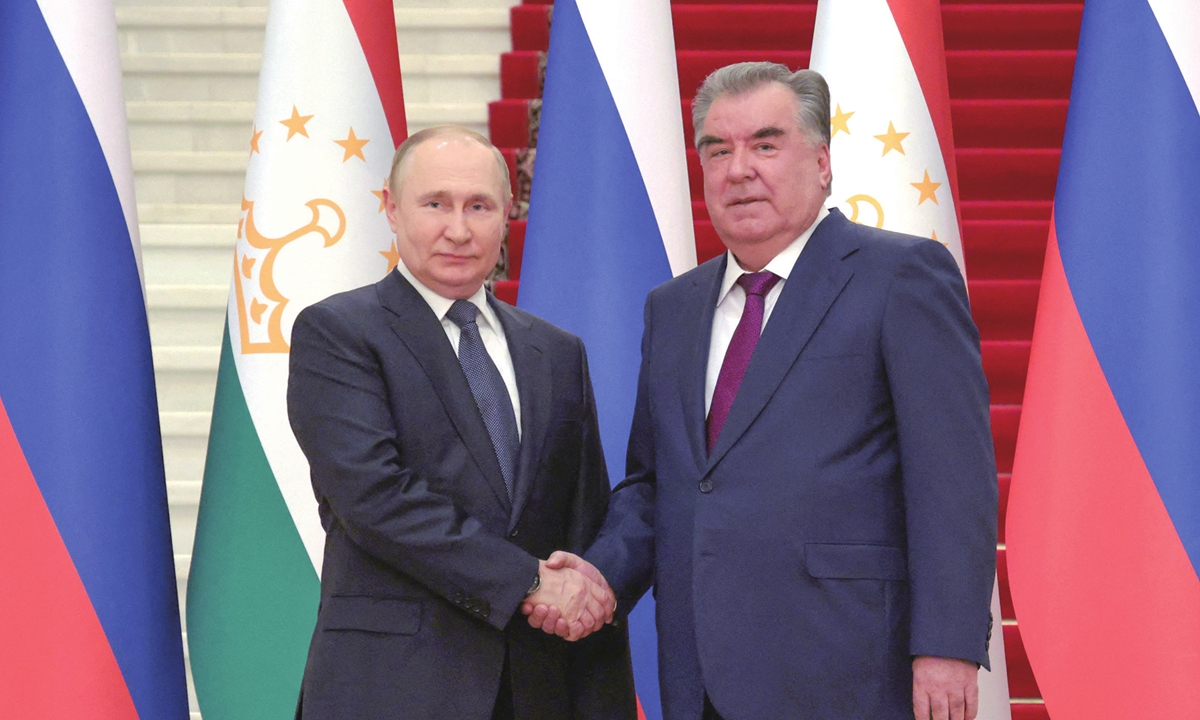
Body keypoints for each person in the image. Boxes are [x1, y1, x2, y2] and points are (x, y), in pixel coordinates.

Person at [526, 63, 998, 720]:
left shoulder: (900, 277)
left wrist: (946, 645)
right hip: (702, 675)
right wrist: (600, 574)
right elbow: (655, 484)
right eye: (718, 150)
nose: (738, 169)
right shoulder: (674, 308)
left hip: (852, 666)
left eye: (765, 144)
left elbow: (954, 478)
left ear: (823, 162)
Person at [287, 125, 636, 720]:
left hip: (539, 684)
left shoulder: (557, 351)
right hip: (394, 687)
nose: (458, 229)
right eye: (435, 204)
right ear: (391, 210)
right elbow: (374, 497)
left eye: (479, 206)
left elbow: (582, 512)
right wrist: (530, 582)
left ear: (508, 215)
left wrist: (584, 594)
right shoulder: (339, 333)